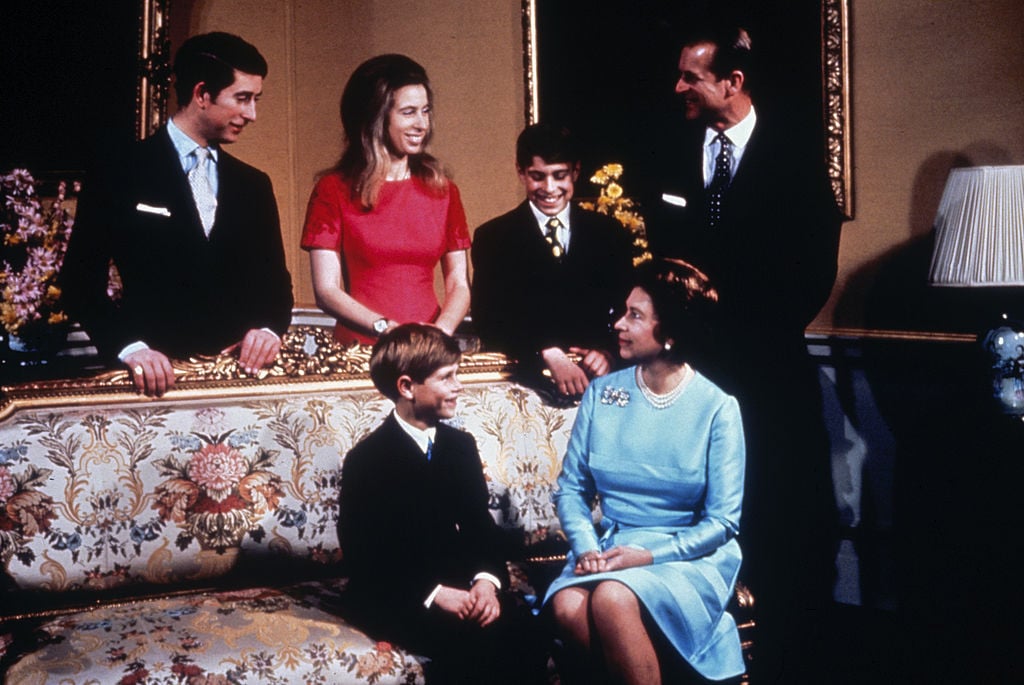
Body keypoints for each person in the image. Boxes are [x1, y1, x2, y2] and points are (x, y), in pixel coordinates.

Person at [643, 20, 843, 681]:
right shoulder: (672, 150)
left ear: (733, 82)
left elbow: (811, 271)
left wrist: (739, 335)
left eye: (691, 77)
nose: (678, 87)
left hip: (769, 376)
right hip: (689, 377)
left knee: (781, 523)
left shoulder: (792, 155)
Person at [545, 259, 746, 685]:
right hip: (611, 545)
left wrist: (650, 556)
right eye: (623, 311)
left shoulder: (718, 408)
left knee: (613, 598)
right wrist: (585, 548)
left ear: (670, 333)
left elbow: (724, 522)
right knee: (566, 606)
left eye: (635, 316)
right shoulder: (603, 394)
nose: (619, 324)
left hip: (685, 555)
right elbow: (571, 490)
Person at [60, 32, 294, 397]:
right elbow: (79, 282)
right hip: (149, 386)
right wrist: (131, 348)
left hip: (237, 385)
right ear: (202, 94)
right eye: (243, 99)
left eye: (255, 100)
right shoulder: (119, 172)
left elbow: (276, 290)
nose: (252, 114)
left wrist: (267, 330)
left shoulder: (254, 185)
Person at [337, 323, 545, 684]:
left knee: (523, 628)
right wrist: (434, 594)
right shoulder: (367, 460)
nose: (458, 386)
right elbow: (364, 555)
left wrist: (485, 583)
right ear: (407, 387)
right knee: (469, 642)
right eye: (447, 377)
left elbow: (481, 527)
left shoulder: (460, 446)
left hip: (460, 584)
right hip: (393, 592)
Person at [301, 55, 470, 345]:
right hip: (363, 349)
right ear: (376, 118)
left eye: (425, 111)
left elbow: (459, 283)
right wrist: (387, 329)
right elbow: (326, 290)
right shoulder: (333, 189)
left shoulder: (444, 190)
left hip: (429, 349)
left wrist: (439, 334)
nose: (422, 124)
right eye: (408, 112)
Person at [471, 123, 634, 398]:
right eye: (538, 176)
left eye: (560, 176)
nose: (549, 188)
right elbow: (489, 321)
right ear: (520, 172)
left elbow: (626, 309)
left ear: (576, 172)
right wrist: (547, 352)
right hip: (526, 386)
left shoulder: (609, 233)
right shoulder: (493, 237)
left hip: (600, 382)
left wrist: (607, 351)